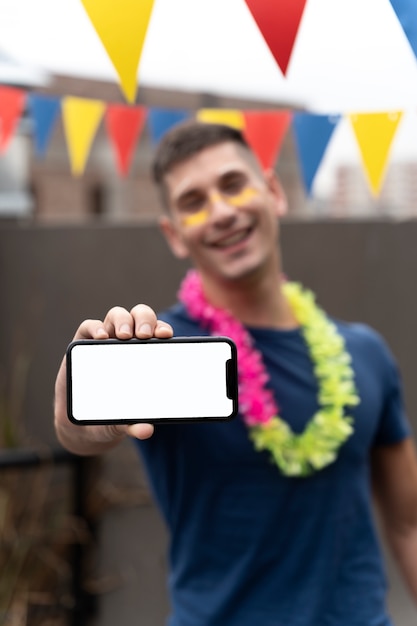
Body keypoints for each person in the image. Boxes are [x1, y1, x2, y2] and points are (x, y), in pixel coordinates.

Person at [54, 121, 417, 626]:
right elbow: (81, 435)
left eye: (232, 184)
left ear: (272, 192)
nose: (221, 211)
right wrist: (84, 404)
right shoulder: (159, 347)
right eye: (193, 201)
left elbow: (409, 527)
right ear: (174, 234)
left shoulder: (366, 352)